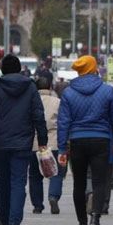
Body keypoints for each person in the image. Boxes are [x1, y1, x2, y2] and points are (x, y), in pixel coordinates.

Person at [57, 55, 113, 225]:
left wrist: (62, 148)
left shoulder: (68, 93)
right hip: (101, 140)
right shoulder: (107, 91)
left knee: (79, 183)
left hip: (77, 141)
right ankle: (96, 220)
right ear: (94, 68)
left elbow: (63, 122)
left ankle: (82, 224)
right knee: (100, 182)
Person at [0, 55, 48, 225]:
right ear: (19, 69)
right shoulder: (30, 88)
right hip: (23, 143)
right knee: (18, 182)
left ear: (2, 70)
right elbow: (38, 115)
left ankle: (4, 220)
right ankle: (15, 222)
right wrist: (42, 140)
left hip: (0, 143)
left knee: (3, 182)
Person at [29, 77, 65, 215]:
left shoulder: (31, 101)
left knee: (34, 176)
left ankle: (37, 205)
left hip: (35, 143)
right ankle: (53, 196)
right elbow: (63, 121)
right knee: (56, 173)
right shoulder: (58, 102)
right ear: (50, 87)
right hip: (54, 141)